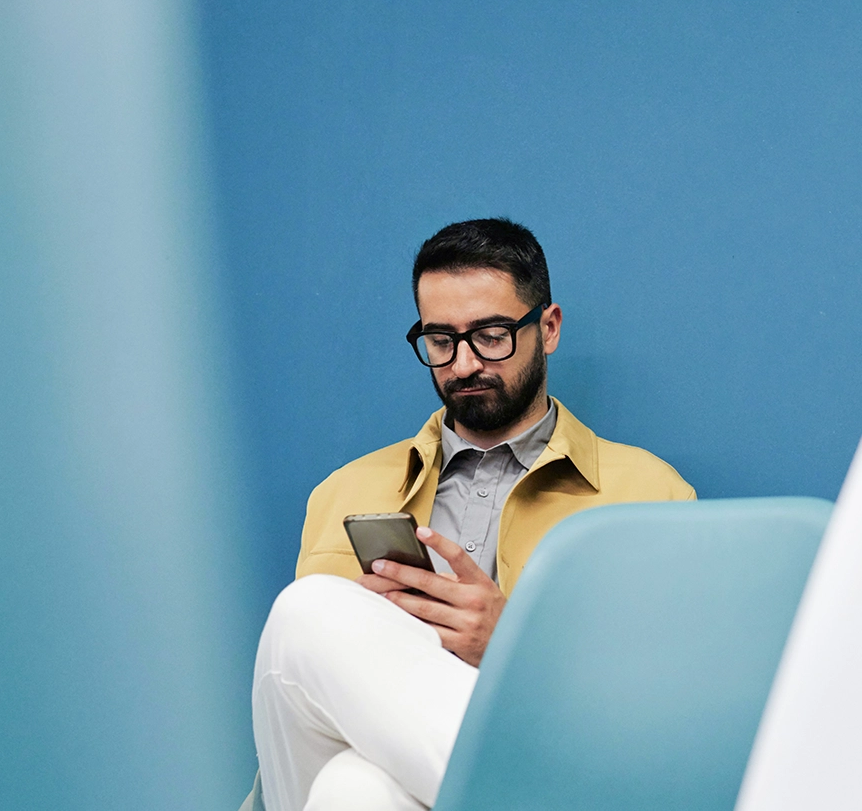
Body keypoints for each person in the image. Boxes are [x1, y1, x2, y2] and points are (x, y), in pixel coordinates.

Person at [247, 219, 695, 811]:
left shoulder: (648, 493)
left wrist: (511, 647)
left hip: (573, 765)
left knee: (352, 787)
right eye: (440, 340)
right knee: (344, 764)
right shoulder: (345, 492)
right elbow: (302, 722)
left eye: (490, 335)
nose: (462, 365)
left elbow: (667, 709)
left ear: (549, 328)